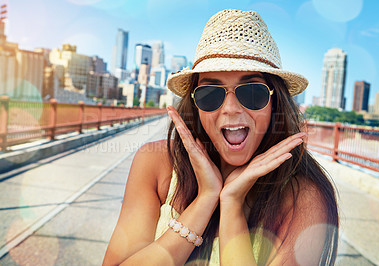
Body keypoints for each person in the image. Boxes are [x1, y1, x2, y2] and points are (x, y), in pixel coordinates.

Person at [103, 9, 338, 265]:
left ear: (275, 102)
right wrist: (205, 199)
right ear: (195, 105)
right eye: (210, 94)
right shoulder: (157, 164)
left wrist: (232, 204)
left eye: (251, 92)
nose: (230, 108)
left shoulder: (304, 196)